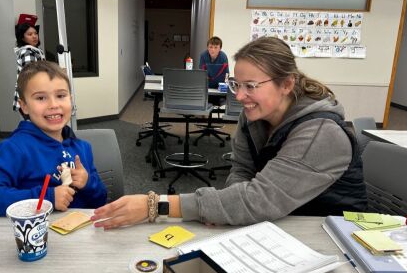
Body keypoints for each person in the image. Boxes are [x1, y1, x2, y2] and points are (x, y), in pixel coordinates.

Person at [90, 37, 367, 229]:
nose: (240, 96)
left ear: (286, 84)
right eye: (236, 84)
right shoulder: (254, 115)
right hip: (282, 224)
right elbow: (242, 170)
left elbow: (260, 199)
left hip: (331, 235)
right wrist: (230, 209)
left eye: (251, 85)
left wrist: (155, 205)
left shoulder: (321, 134)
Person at [0, 61, 107, 216]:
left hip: (82, 233)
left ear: (71, 100)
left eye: (61, 96)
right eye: (41, 98)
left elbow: (100, 201)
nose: (53, 105)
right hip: (39, 235)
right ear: (24, 106)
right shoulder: (15, 149)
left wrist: (88, 183)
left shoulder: (83, 148)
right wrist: (46, 198)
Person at [13, 22, 46, 118]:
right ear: (22, 38)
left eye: (35, 33)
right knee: (35, 125)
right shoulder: (27, 51)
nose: (34, 36)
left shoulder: (34, 50)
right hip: (29, 95)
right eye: (29, 34)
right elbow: (30, 75)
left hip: (31, 94)